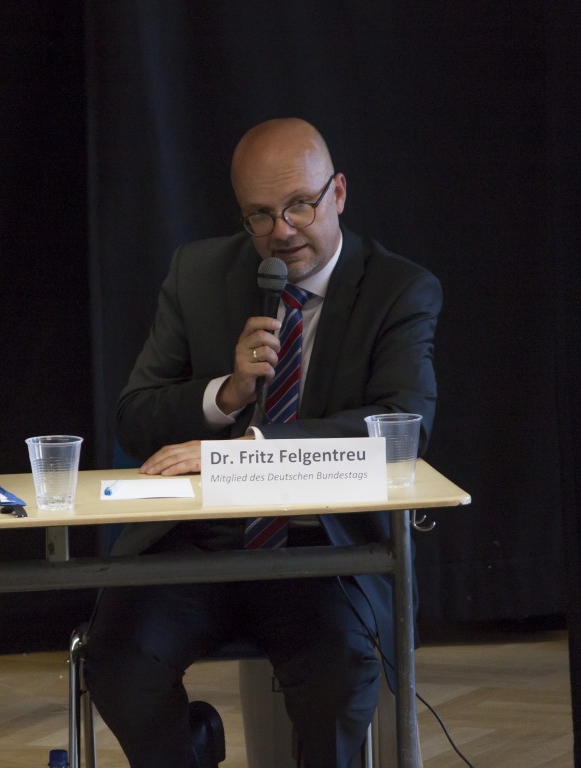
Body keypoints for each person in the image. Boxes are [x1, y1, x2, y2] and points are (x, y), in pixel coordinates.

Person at [84, 118, 441, 768]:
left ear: (338, 193)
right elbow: (134, 420)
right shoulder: (198, 272)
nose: (281, 231)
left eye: (299, 205)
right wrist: (224, 396)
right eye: (259, 216)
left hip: (322, 548)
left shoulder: (399, 289)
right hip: (202, 540)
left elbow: (402, 427)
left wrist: (249, 447)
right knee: (117, 659)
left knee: (341, 675)